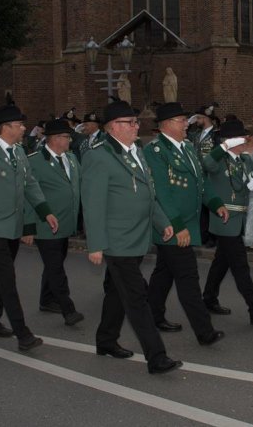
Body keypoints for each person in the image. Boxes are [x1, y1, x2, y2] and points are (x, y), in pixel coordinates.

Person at [82, 100, 181, 374]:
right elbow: (93, 203)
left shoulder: (135, 150)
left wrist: (162, 221)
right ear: (113, 126)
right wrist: (96, 244)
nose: (137, 126)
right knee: (137, 297)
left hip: (137, 236)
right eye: (131, 122)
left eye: (136, 122)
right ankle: (157, 357)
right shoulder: (98, 156)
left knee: (118, 292)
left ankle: (106, 339)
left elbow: (148, 191)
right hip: (117, 240)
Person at [0, 104, 59, 351]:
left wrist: (45, 211)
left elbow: (30, 185)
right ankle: (22, 333)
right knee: (8, 278)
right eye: (20, 125)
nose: (24, 128)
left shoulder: (18, 151)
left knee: (1, 275)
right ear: (6, 128)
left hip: (12, 226)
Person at [144, 102, 229, 345]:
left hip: (187, 223)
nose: (186, 125)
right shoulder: (155, 151)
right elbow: (161, 192)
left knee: (164, 272)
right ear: (166, 124)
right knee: (188, 277)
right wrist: (178, 226)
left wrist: (215, 202)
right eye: (182, 121)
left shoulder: (188, 147)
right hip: (173, 226)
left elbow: (201, 181)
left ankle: (153, 315)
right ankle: (205, 331)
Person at [200, 119, 253, 324]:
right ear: (230, 140)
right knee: (240, 267)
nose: (245, 139)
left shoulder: (244, 159)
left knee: (221, 262)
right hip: (225, 220)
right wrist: (223, 147)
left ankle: (208, 298)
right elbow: (206, 164)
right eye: (241, 137)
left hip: (239, 219)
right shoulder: (220, 160)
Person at [23, 119, 84, 326]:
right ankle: (68, 310)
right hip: (45, 225)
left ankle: (47, 300)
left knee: (53, 265)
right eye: (66, 137)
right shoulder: (35, 161)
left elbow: (80, 185)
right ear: (54, 138)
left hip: (66, 224)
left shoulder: (71, 158)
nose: (69, 140)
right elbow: (28, 195)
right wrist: (28, 227)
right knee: (56, 268)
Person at [188, 104, 220, 248]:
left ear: (206, 118)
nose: (197, 121)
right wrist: (189, 124)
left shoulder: (216, 134)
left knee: (211, 205)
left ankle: (213, 236)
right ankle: (203, 234)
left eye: (199, 118)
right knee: (201, 206)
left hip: (211, 175)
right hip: (199, 174)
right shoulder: (196, 134)